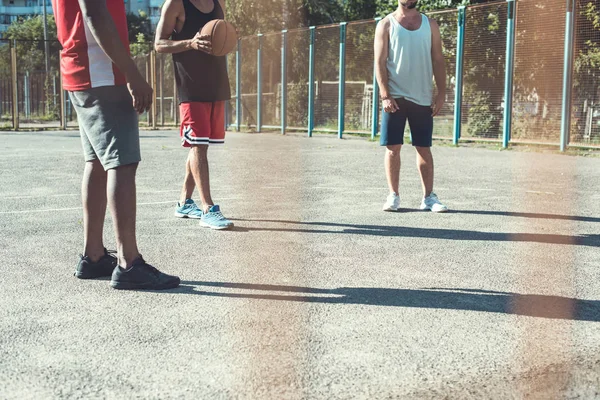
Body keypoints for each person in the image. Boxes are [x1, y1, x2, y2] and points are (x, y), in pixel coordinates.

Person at [53, 0, 180, 289]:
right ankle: (128, 262)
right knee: (121, 161)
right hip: (102, 71)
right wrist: (131, 74)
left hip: (82, 68)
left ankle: (94, 255)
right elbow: (95, 12)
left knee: (97, 160)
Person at [155, 0, 234, 230]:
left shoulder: (218, 4)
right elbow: (159, 44)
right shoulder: (176, 4)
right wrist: (190, 43)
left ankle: (184, 202)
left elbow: (221, 37)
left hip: (217, 83)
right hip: (191, 86)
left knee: (201, 145)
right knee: (198, 146)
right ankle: (208, 208)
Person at [374, 0, 449, 213]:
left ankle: (428, 198)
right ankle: (393, 196)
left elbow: (438, 60)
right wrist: (385, 94)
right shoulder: (386, 24)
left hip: (422, 96)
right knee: (392, 148)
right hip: (395, 97)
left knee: (423, 147)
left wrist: (442, 92)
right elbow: (379, 62)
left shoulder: (430, 24)